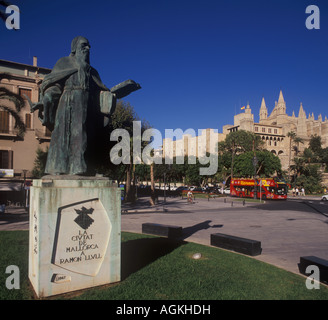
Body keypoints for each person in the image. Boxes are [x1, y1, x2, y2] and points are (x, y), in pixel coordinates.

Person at [30, 36, 140, 176]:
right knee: (65, 137)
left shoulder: (92, 72)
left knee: (87, 138)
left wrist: (113, 95)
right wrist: (48, 96)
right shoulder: (64, 63)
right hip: (68, 105)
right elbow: (54, 85)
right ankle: (60, 169)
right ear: (74, 48)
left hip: (88, 109)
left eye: (88, 46)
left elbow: (100, 92)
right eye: (84, 45)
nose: (87, 49)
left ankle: (86, 169)